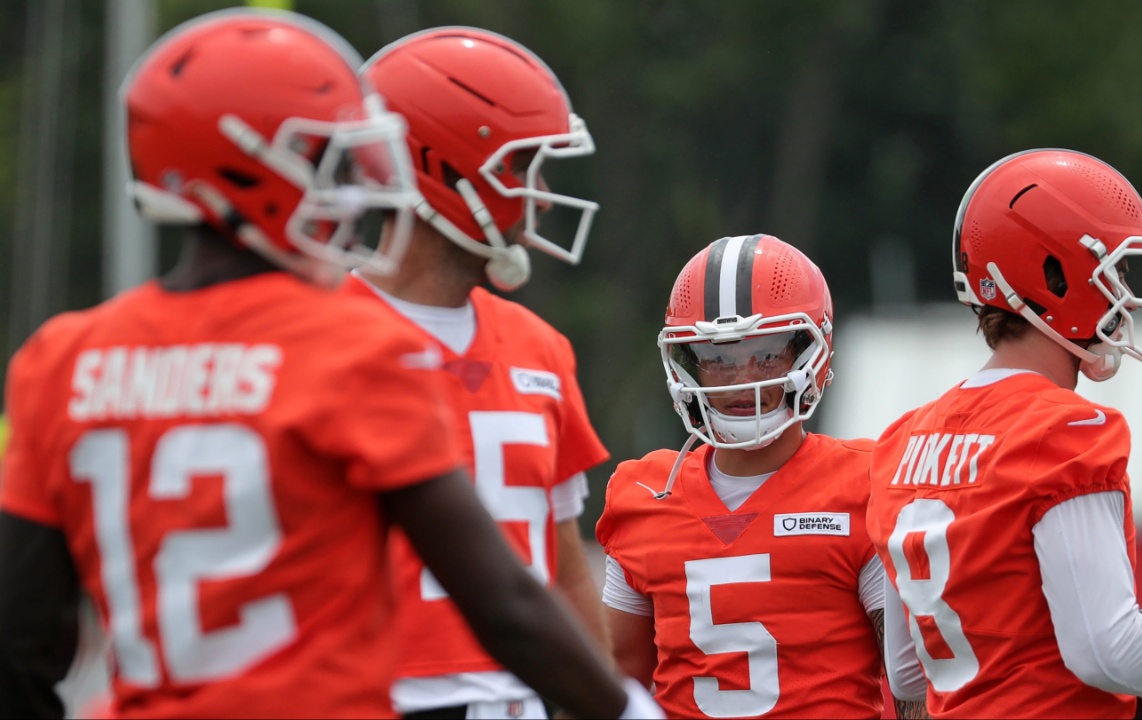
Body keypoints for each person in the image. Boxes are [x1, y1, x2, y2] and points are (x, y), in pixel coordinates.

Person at [0, 10, 660, 720]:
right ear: (253, 165)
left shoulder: (62, 358)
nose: (358, 192)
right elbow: (503, 601)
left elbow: (15, 636)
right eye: (330, 162)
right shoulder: (346, 345)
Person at [866, 148, 1142, 718]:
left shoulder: (900, 442)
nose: (1124, 296)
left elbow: (909, 672)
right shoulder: (1065, 431)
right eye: (1117, 272)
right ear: (1055, 274)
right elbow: (1105, 650)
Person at [350, 27, 612, 720]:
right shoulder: (322, 337)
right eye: (524, 165)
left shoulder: (540, 347)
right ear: (445, 165)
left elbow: (562, 568)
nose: (545, 197)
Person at [596, 234, 926, 718]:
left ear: (811, 353)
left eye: (767, 353)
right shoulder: (642, 494)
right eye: (717, 357)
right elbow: (615, 688)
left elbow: (913, 689)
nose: (740, 377)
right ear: (686, 364)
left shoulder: (867, 483)